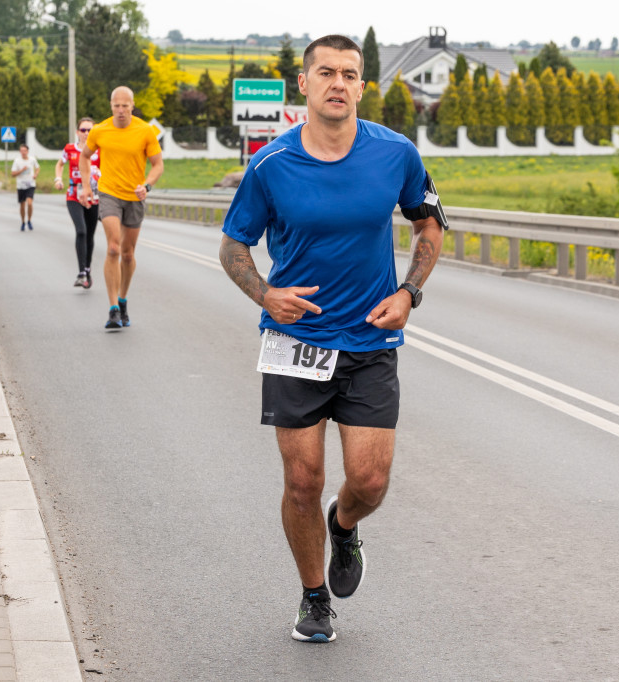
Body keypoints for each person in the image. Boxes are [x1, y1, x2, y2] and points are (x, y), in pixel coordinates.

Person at [218, 34, 447, 644]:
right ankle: (314, 596)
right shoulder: (271, 164)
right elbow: (233, 245)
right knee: (302, 479)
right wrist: (265, 294)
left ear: (362, 87)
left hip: (370, 343)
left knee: (370, 481)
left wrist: (409, 293)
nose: (338, 83)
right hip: (296, 341)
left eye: (349, 73)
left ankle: (343, 527)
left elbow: (430, 222)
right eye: (326, 72)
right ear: (305, 83)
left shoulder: (395, 154)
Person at [77, 87, 164, 330]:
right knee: (113, 248)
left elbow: (158, 164)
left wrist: (147, 185)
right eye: (117, 105)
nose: (121, 110)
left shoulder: (145, 130)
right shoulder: (100, 130)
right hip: (109, 193)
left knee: (127, 253)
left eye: (125, 105)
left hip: (135, 196)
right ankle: (113, 308)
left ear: (132, 105)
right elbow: (84, 157)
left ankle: (123, 299)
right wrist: (85, 187)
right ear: (111, 105)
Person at [55, 117, 101, 288]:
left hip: (93, 198)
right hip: (74, 196)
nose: (86, 133)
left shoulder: (100, 151)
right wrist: (58, 179)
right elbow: (60, 164)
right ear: (77, 132)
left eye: (90, 130)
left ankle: (87, 269)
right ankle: (81, 272)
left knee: (89, 234)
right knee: (80, 231)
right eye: (83, 130)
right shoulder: (70, 149)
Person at [10, 143, 41, 231]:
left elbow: (38, 168)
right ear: (20, 152)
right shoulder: (17, 161)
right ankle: (23, 221)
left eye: (25, 151)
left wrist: (35, 174)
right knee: (22, 205)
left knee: (30, 203)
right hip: (21, 185)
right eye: (21, 151)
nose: (23, 152)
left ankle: (29, 220)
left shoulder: (32, 160)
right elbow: (12, 174)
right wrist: (21, 170)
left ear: (27, 151)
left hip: (30, 184)